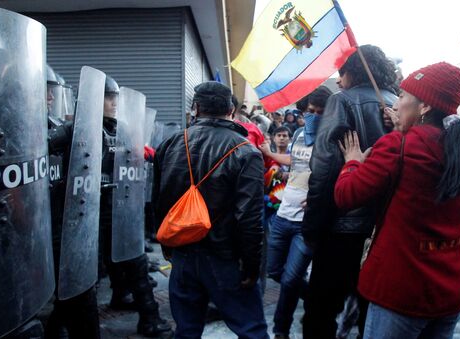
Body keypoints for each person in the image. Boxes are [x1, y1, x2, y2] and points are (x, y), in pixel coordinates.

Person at [335, 62, 460, 339]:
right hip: (449, 288)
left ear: (424, 106)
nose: (396, 103)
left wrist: (352, 163)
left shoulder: (396, 146)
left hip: (400, 290)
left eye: (401, 96)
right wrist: (405, 127)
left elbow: (346, 195)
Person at [153, 81, 268, 338]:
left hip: (182, 251)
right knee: (251, 329)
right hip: (224, 257)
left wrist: (168, 248)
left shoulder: (171, 144)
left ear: (195, 108)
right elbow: (249, 219)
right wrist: (252, 266)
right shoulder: (246, 151)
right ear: (230, 110)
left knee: (186, 330)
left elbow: (159, 202)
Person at [301, 45, 399, 338]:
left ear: (350, 72)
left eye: (340, 75)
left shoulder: (341, 101)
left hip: (343, 227)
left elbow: (325, 169)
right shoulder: (401, 104)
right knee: (371, 313)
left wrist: (313, 226)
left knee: (320, 313)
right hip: (385, 228)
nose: (339, 82)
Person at [99, 75, 173, 338]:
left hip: (120, 206)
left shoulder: (122, 130)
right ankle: (146, 317)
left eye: (116, 97)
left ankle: (143, 312)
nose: (114, 102)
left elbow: (143, 154)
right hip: (95, 212)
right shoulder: (83, 130)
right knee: (115, 263)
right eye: (108, 97)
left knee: (134, 262)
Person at [261, 86, 331, 338]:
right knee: (275, 272)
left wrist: (320, 198)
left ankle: (280, 329)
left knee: (291, 280)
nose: (312, 115)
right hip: (282, 216)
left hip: (306, 223)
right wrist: (277, 162)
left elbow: (337, 175)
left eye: (319, 112)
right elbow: (297, 162)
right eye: (309, 111)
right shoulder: (300, 133)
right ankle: (319, 300)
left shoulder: (332, 137)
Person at [45, 65, 102, 339]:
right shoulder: (19, 130)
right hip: (31, 229)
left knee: (77, 292)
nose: (50, 98)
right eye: (44, 91)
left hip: (61, 224)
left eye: (52, 91)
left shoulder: (60, 130)